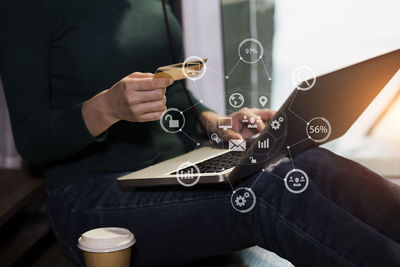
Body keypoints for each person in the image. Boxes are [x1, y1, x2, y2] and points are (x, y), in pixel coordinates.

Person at [1, 0, 399, 266]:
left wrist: (217, 123)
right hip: (90, 200)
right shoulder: (26, 8)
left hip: (176, 170)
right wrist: (104, 108)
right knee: (264, 192)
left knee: (308, 159)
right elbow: (32, 140)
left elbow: (175, 90)